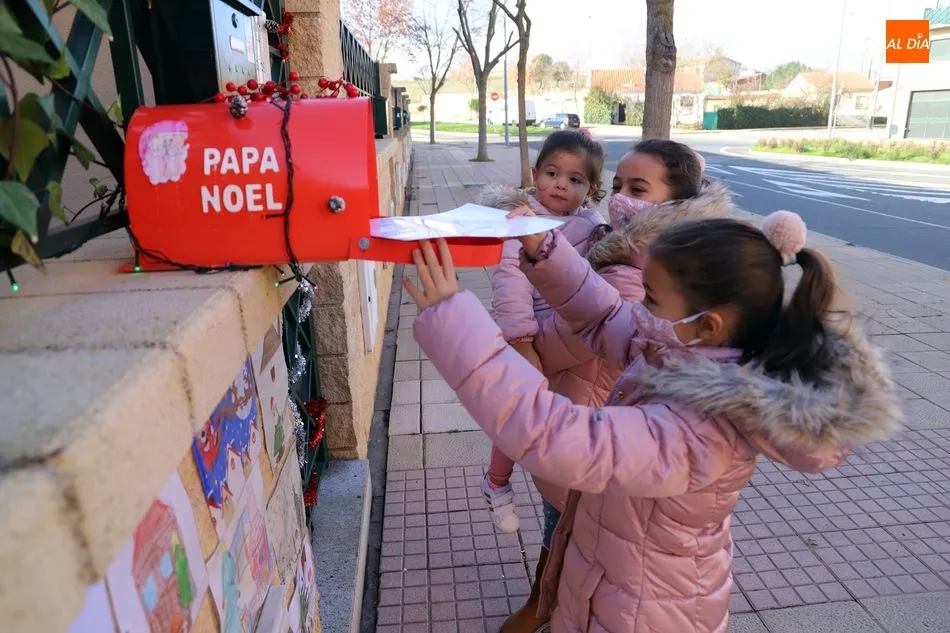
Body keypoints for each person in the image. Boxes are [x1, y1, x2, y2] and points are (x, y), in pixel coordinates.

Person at [403, 211, 902, 633]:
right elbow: (603, 318)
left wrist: (454, 320)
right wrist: (544, 247)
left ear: (707, 324)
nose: (639, 307)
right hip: (619, 577)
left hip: (647, 610)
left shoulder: (703, 428)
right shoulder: (687, 351)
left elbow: (554, 437)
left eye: (652, 299)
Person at [502, 140, 732, 633]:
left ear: (676, 199)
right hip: (594, 411)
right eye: (619, 185)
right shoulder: (628, 244)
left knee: (567, 524)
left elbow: (569, 338)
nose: (622, 197)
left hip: (595, 414)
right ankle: (549, 603)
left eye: (638, 188)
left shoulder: (641, 268)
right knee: (569, 522)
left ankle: (543, 606)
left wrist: (507, 336)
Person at [479, 130, 606, 535]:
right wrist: (520, 340)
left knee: (553, 413)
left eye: (574, 180)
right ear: (535, 174)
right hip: (529, 334)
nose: (560, 185)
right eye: (552, 173)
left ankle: (557, 481)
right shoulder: (521, 220)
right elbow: (509, 279)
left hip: (569, 332)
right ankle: (496, 482)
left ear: (589, 190)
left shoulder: (593, 226)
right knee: (518, 408)